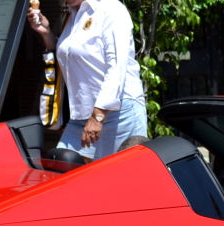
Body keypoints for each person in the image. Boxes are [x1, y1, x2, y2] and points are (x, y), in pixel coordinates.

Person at [27, 0, 148, 160]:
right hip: (81, 115)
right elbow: (73, 56)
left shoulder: (111, 9)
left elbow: (117, 68)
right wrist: (46, 33)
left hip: (117, 114)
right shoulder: (73, 14)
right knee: (63, 168)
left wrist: (97, 117)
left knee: (120, 178)